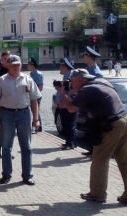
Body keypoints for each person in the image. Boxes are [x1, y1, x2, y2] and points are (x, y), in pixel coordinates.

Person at [59, 68, 127, 204]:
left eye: (72, 81)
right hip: (123, 121)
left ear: (80, 79)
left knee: (100, 160)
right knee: (124, 161)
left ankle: (97, 194)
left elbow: (71, 108)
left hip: (110, 125)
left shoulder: (87, 90)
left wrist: (64, 93)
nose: (71, 84)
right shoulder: (102, 82)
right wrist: (72, 93)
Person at [0, 54, 41, 185]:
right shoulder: (1, 80)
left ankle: (27, 175)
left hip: (24, 114)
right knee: (6, 146)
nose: (15, 67)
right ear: (7, 66)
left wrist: (36, 119)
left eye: (18, 65)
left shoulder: (28, 79)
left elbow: (34, 100)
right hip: (7, 114)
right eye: (13, 65)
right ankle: (6, 174)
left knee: (27, 146)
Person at [54, 58, 76, 150]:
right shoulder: (66, 76)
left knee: (69, 124)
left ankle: (70, 143)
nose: (60, 68)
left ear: (65, 67)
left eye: (61, 66)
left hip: (67, 105)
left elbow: (68, 92)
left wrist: (62, 103)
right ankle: (70, 142)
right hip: (65, 104)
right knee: (67, 124)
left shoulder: (69, 77)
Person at [28, 58, 44, 132]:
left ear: (33, 65)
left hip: (36, 95)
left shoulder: (37, 74)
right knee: (34, 110)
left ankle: (36, 126)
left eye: (29, 64)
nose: (28, 66)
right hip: (32, 94)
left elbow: (40, 87)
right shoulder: (31, 73)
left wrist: (35, 94)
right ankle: (38, 126)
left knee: (35, 111)